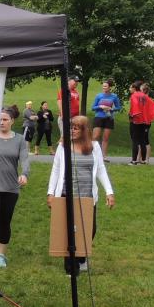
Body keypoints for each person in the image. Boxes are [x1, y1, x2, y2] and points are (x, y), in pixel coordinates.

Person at [46, 116, 115, 274]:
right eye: (71, 128)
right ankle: (71, 268)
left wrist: (109, 192)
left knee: (90, 229)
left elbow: (101, 169)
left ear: (85, 130)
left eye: (76, 128)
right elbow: (56, 170)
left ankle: (81, 257)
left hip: (88, 197)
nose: (72, 131)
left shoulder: (94, 146)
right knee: (69, 230)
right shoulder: (63, 146)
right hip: (66, 195)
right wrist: (50, 193)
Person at [0, 107, 30, 268]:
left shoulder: (19, 139)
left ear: (12, 121)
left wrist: (25, 174)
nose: (1, 122)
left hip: (10, 188)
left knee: (5, 221)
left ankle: (1, 255)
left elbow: (25, 159)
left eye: (5, 119)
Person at [91, 80, 121, 156]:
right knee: (95, 136)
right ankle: (92, 154)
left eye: (105, 86)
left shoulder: (114, 96)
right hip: (99, 117)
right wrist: (100, 106)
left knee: (106, 138)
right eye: (103, 86)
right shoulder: (99, 96)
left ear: (110, 87)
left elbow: (118, 107)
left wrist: (111, 109)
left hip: (109, 118)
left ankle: (104, 156)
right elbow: (93, 108)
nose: (103, 88)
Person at [127, 81, 151, 165]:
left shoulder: (134, 96)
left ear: (134, 88)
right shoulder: (144, 96)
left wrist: (132, 115)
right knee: (142, 141)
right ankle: (143, 160)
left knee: (135, 141)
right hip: (144, 121)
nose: (129, 89)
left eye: (131, 87)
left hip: (136, 121)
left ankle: (134, 161)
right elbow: (151, 106)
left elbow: (135, 107)